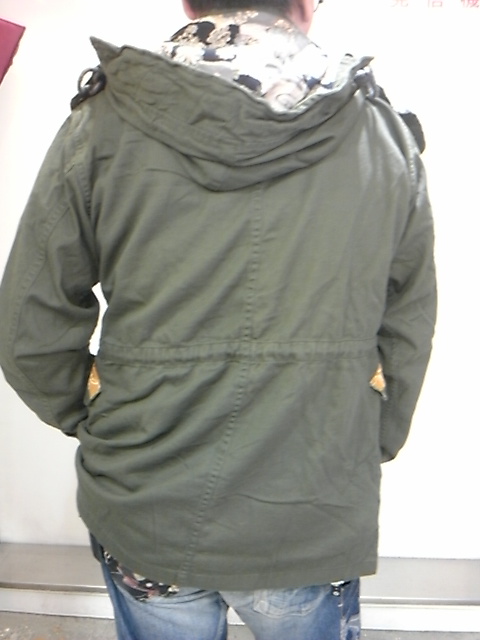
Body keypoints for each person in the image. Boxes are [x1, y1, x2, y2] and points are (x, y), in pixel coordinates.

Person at [0, 0, 436, 638]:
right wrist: (362, 443)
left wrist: (101, 414)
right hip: (309, 504)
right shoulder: (380, 132)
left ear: (188, 1)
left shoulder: (102, 122)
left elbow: (29, 328)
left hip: (148, 500)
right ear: (306, 4)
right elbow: (408, 324)